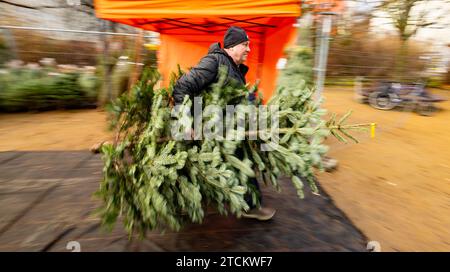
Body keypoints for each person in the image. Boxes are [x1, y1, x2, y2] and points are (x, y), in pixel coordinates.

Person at [173, 26, 276, 221]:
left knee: (241, 162)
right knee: (196, 167)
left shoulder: (233, 67)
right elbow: (182, 86)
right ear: (232, 46)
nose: (249, 50)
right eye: (245, 45)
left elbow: (235, 97)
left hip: (228, 128)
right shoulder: (214, 61)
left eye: (249, 45)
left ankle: (250, 205)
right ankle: (187, 203)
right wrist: (185, 120)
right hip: (210, 129)